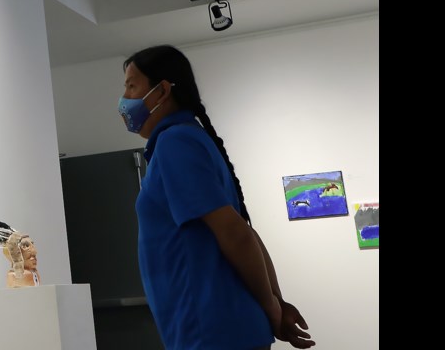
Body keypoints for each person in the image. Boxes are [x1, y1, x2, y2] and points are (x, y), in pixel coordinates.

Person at [119, 45, 314, 349]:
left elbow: (235, 234)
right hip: (219, 330)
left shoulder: (175, 144)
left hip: (210, 332)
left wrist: (272, 305)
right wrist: (277, 301)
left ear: (162, 91)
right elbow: (244, 230)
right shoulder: (186, 140)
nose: (124, 99)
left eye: (132, 85)